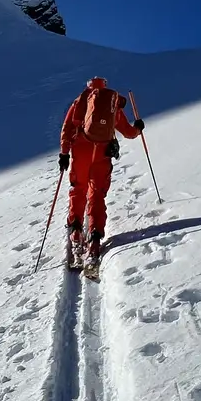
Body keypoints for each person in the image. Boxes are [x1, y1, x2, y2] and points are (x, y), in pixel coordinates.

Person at [58, 77, 144, 268]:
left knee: (78, 189)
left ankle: (76, 231)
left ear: (89, 88)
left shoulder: (80, 102)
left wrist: (64, 153)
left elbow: (66, 129)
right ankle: (95, 240)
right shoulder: (112, 104)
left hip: (81, 149)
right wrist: (138, 128)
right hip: (102, 153)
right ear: (104, 88)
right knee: (96, 193)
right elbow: (128, 132)